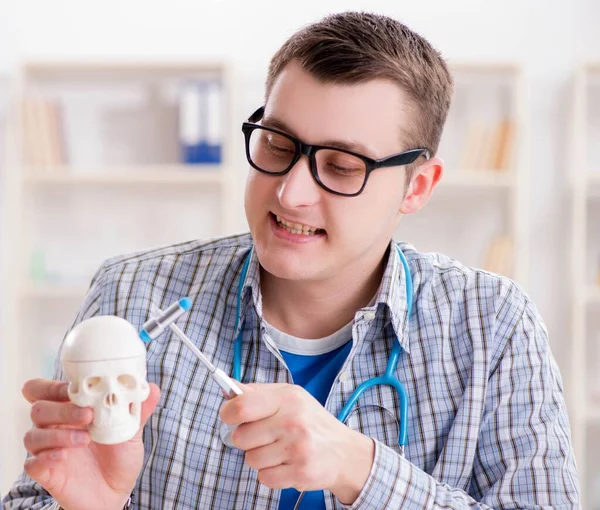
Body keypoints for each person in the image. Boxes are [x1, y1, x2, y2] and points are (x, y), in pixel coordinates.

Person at [3, 11, 580, 510]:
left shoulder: (493, 325)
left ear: (417, 187)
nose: (290, 193)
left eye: (342, 166)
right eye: (278, 145)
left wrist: (362, 470)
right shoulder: (131, 296)